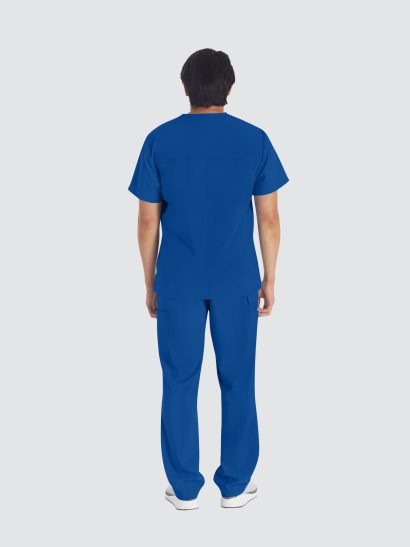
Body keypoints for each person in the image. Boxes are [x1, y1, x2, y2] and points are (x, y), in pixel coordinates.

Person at [128, 48, 289, 510]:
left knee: (179, 381)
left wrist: (149, 282)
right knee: (238, 379)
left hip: (177, 281)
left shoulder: (159, 140)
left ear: (185, 88)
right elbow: (269, 219)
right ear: (230, 87)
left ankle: (184, 489)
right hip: (237, 280)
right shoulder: (254, 139)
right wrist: (270, 277)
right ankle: (235, 486)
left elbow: (147, 221)